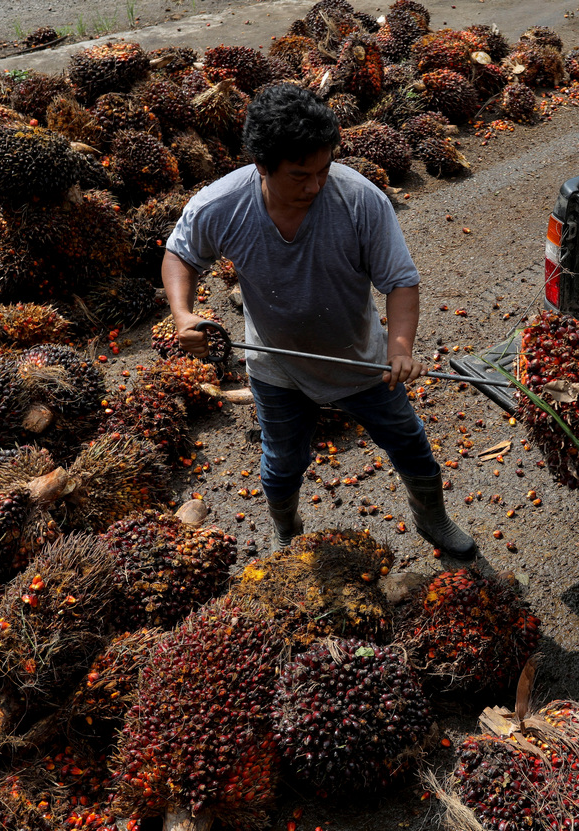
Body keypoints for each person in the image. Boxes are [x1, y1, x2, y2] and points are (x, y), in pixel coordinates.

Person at [161, 83, 477, 559]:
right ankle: (286, 530)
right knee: (282, 461)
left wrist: (400, 348)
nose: (315, 185)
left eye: (324, 170)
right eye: (300, 175)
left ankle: (433, 517)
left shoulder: (359, 199)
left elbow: (400, 282)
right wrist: (183, 314)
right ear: (262, 166)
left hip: (362, 360)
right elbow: (179, 255)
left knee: (409, 443)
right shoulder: (220, 206)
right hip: (277, 365)